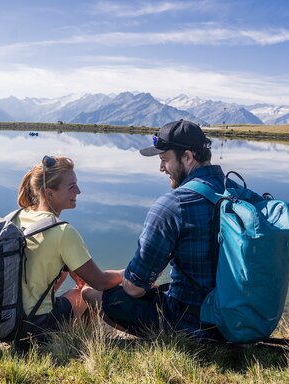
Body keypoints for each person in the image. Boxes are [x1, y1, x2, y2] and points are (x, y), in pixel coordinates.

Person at [84, 120, 229, 340]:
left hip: (191, 324)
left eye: (164, 160)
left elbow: (134, 288)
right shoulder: (235, 193)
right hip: (234, 317)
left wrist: (110, 278)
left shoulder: (173, 205)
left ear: (188, 157)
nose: (161, 168)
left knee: (95, 294)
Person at [13, 155, 123, 343]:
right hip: (35, 326)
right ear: (49, 194)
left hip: (8, 319)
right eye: (72, 187)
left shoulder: (18, 216)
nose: (79, 191)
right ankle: (82, 343)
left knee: (65, 274)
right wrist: (132, 273)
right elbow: (101, 282)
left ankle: (67, 335)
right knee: (86, 292)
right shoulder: (62, 232)